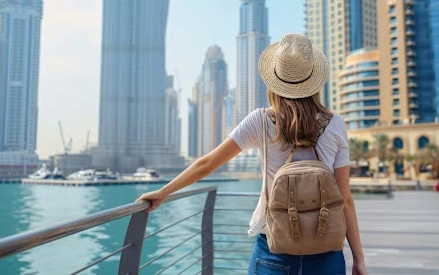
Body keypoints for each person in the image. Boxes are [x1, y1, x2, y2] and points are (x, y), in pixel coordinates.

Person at [138, 34, 368, 275]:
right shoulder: (336, 124)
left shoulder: (261, 120)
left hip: (273, 247)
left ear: (275, 82)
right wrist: (359, 258)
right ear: (314, 81)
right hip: (326, 251)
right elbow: (345, 199)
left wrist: (163, 193)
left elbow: (207, 164)